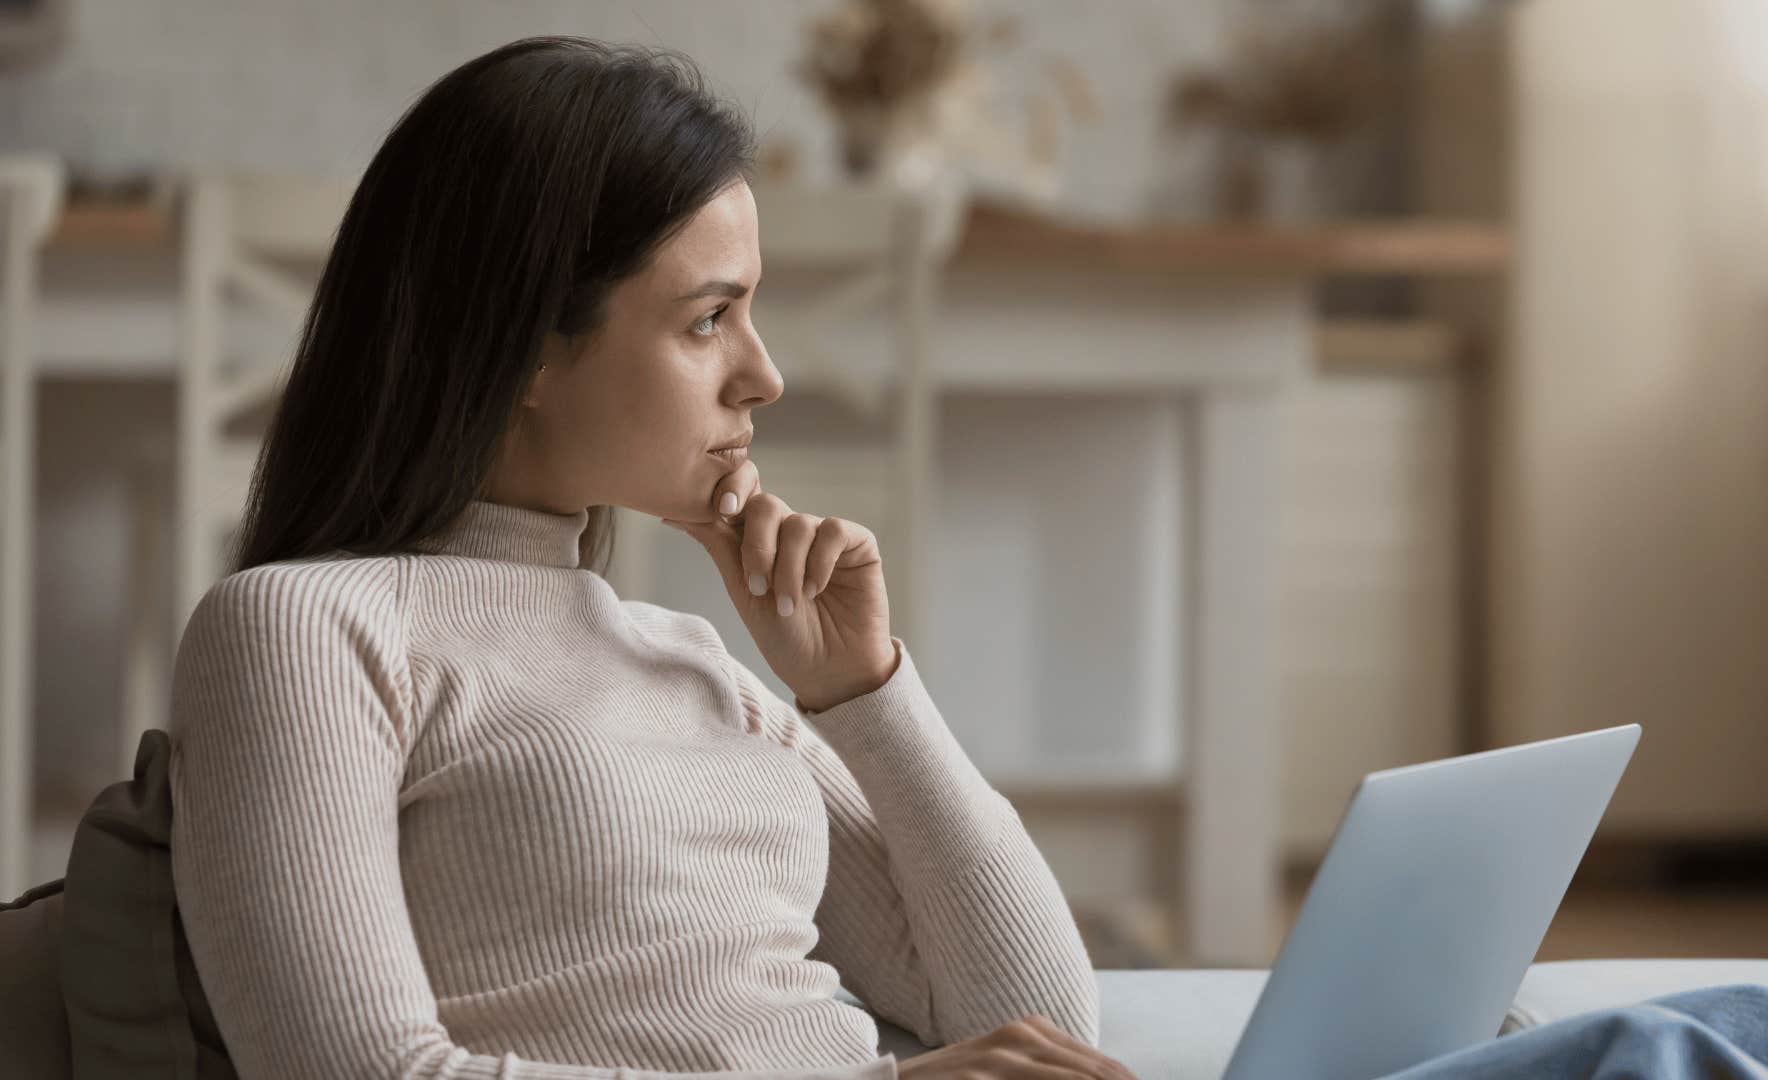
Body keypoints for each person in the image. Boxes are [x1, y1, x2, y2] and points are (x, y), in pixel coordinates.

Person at [170, 35, 1135, 1080]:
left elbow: (1042, 1024)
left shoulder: (698, 665)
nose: (763, 376)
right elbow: (356, 1072)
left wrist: (862, 691)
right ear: (530, 342)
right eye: (710, 319)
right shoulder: (304, 628)